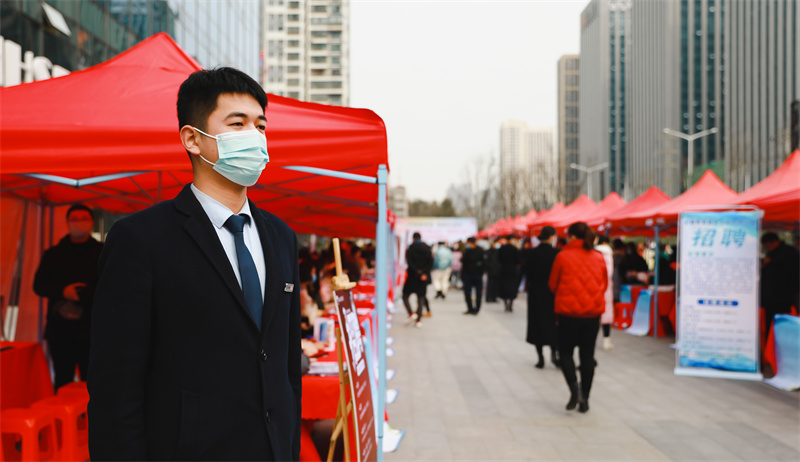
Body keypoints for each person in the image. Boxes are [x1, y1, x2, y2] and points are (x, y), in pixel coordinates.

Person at [88, 68, 302, 461]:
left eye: (260, 126)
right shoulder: (142, 239)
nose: (254, 136)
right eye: (237, 123)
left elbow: (286, 366)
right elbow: (114, 385)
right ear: (192, 138)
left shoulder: (281, 237)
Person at [33, 204, 103, 392]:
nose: (79, 223)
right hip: (60, 329)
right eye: (74, 219)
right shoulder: (53, 254)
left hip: (92, 328)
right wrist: (63, 291)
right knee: (62, 379)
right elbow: (39, 285)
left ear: (92, 222)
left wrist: (83, 293)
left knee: (93, 379)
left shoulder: (102, 252)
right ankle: (63, 411)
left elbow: (112, 285)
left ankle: (91, 411)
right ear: (67, 223)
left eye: (84, 219)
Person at [549, 222, 608, 413]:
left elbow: (553, 284)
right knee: (587, 356)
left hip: (568, 314)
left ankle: (575, 389)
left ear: (572, 236)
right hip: (592, 314)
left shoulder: (562, 256)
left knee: (565, 353)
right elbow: (604, 284)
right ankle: (585, 397)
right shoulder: (598, 257)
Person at [523, 226, 560, 368]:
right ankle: (554, 354)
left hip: (536, 293)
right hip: (552, 293)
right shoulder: (557, 253)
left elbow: (528, 273)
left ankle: (540, 358)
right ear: (551, 236)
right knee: (553, 324)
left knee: (536, 323)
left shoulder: (532, 253)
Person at [760, 232, 800, 337]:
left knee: (779, 323)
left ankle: (778, 342)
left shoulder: (787, 254)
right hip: (775, 297)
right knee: (775, 324)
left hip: (781, 297)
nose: (766, 248)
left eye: (767, 246)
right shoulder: (777, 253)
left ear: (774, 242)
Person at [402, 232, 432, 327]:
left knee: (405, 295)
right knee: (421, 298)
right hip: (423, 277)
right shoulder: (427, 248)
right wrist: (423, 273)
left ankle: (411, 313)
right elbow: (430, 263)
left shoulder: (411, 248)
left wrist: (418, 272)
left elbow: (410, 262)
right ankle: (418, 319)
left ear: (413, 238)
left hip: (412, 276)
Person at [595, 235, 615, 351]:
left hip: (594, 287)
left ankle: (592, 339)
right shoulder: (607, 254)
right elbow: (609, 272)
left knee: (594, 315)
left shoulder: (593, 252)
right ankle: (606, 340)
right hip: (606, 288)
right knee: (606, 314)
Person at [461, 237, 486, 315]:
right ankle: (470, 308)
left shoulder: (480, 250)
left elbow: (484, 263)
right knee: (467, 293)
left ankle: (477, 309)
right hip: (467, 275)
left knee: (478, 293)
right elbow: (464, 262)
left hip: (477, 275)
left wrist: (480, 272)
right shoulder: (466, 251)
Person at [497, 235, 521, 312]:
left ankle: (505, 303)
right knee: (512, 288)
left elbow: (499, 259)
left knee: (504, 287)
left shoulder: (502, 248)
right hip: (512, 271)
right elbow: (518, 260)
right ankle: (510, 304)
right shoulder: (515, 249)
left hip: (503, 270)